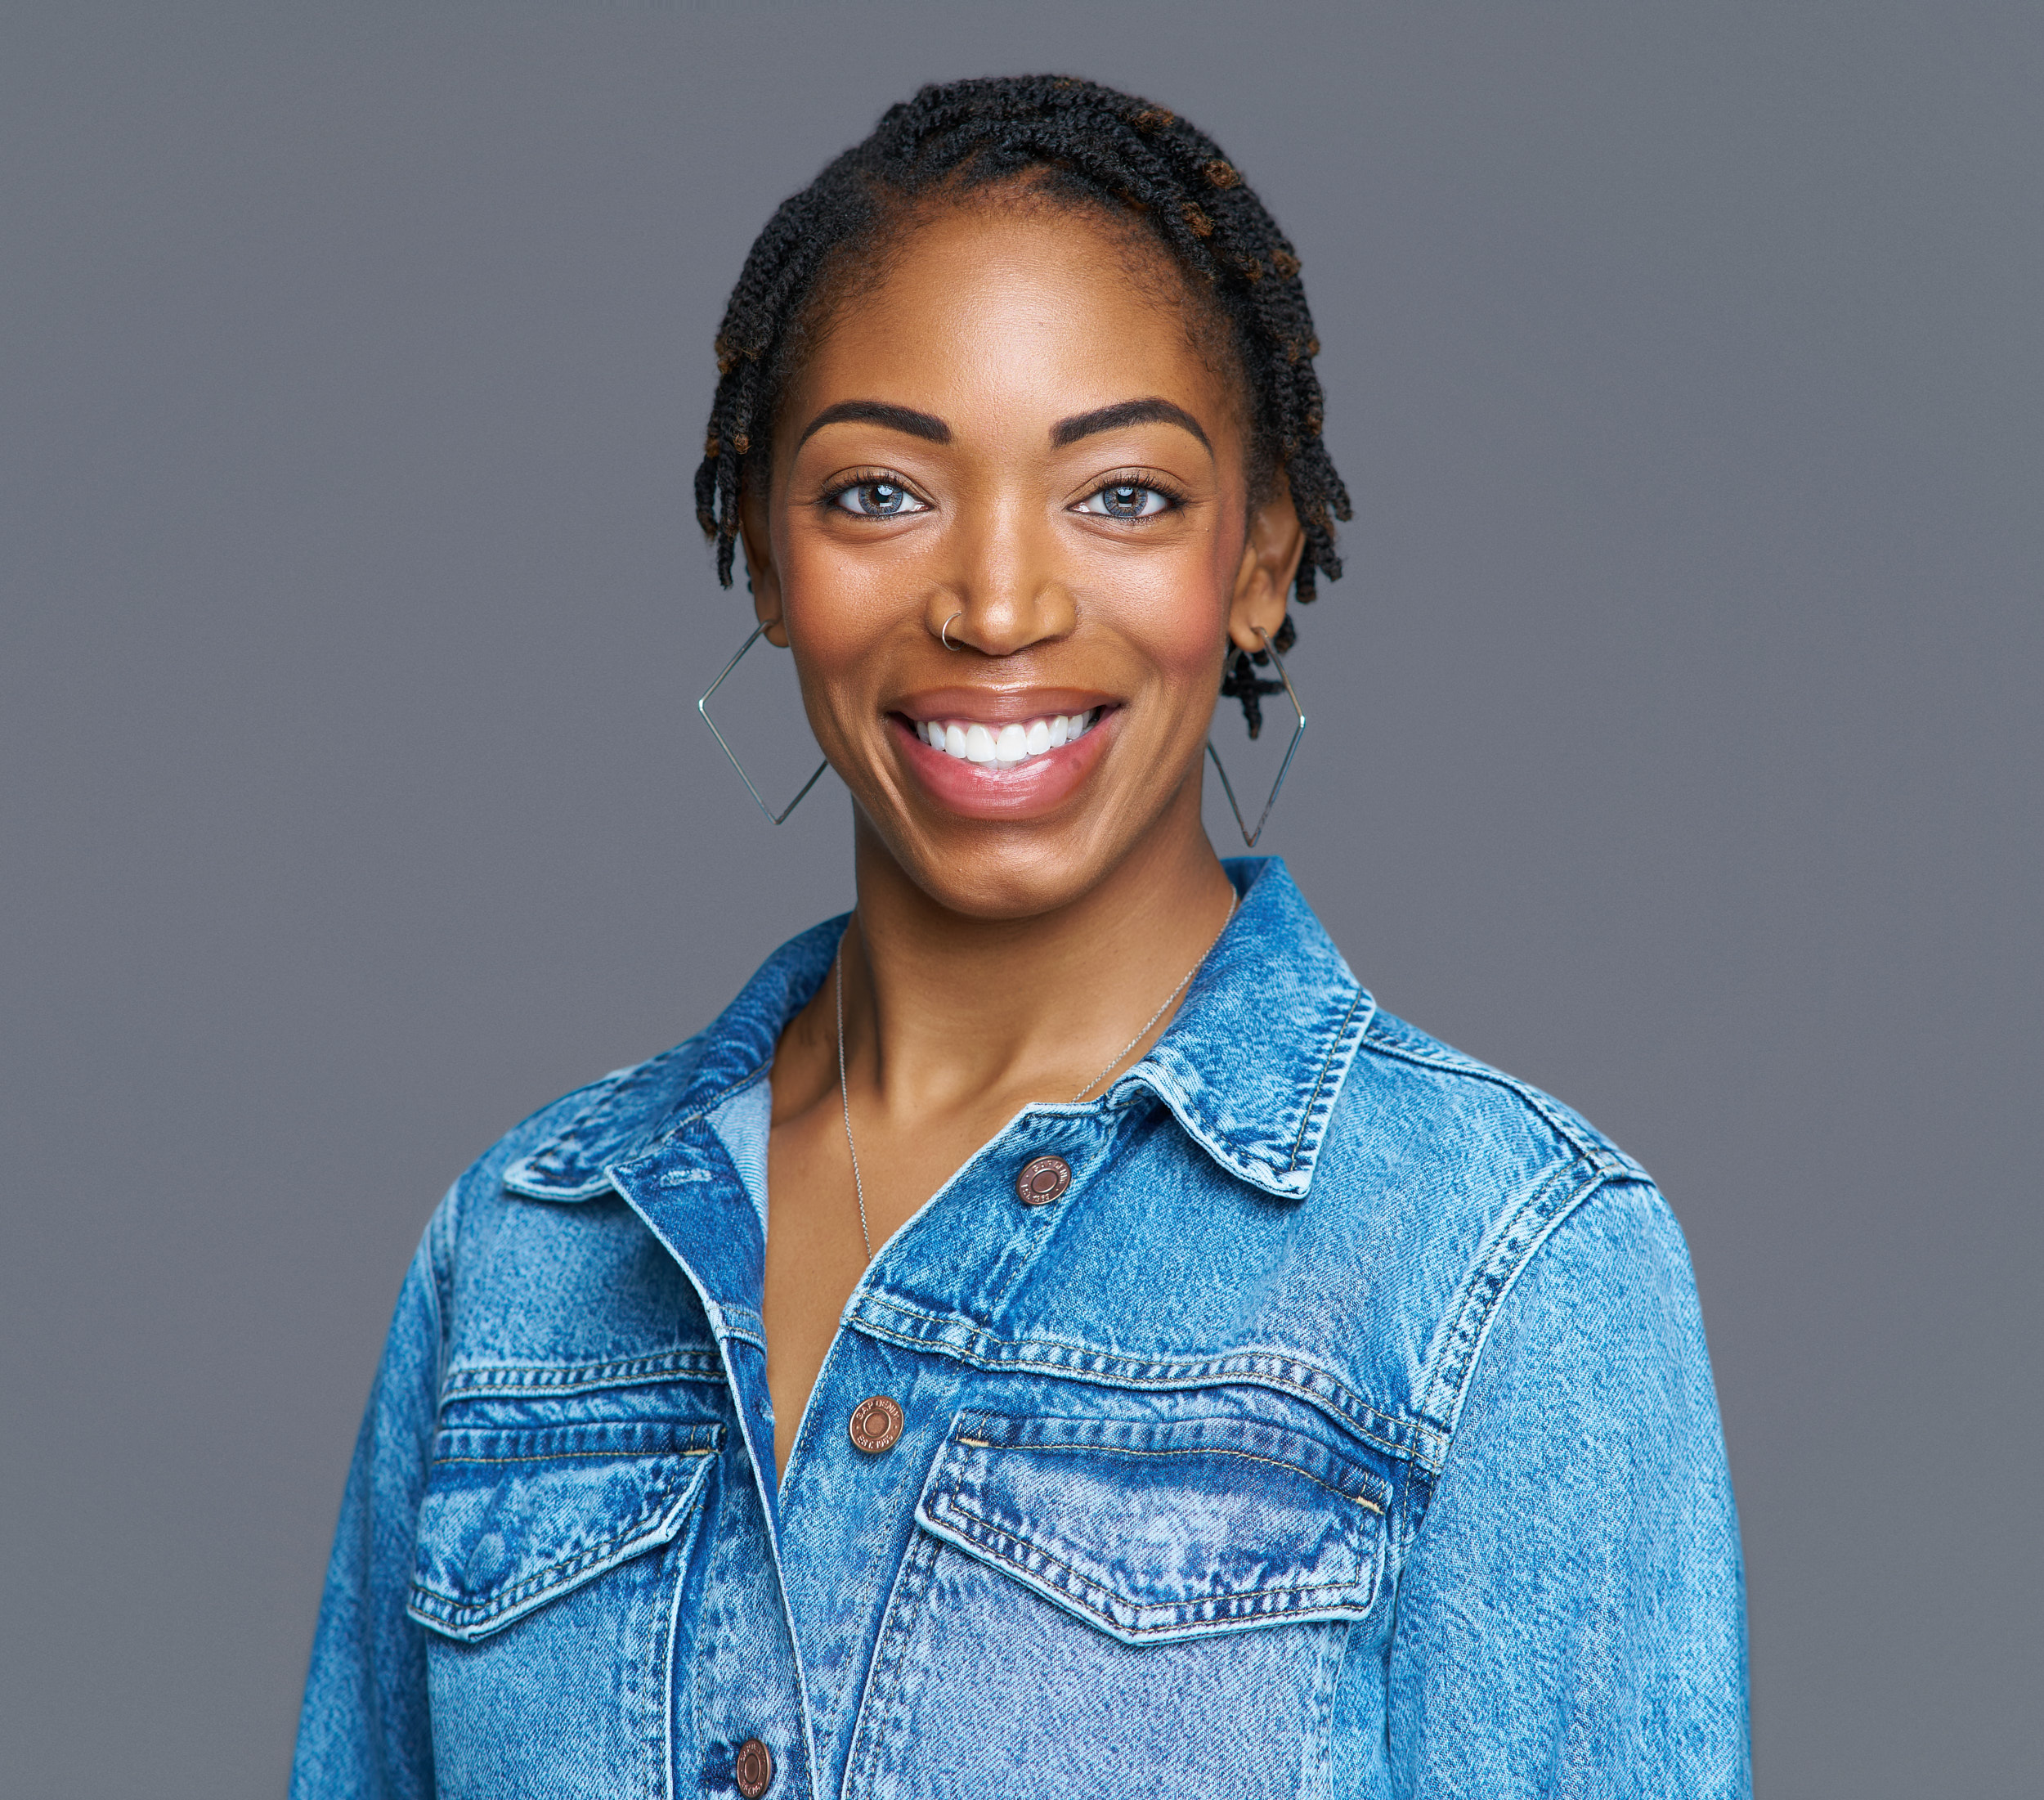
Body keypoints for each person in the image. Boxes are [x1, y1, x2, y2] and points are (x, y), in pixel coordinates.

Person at [291, 75, 1748, 1799]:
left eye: (1120, 494)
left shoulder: (1501, 1268)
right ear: (766, 558)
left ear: (1261, 555)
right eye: (878, 494)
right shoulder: (523, 1249)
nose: (995, 603)